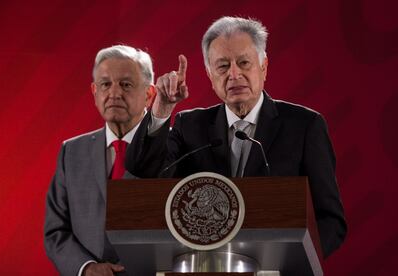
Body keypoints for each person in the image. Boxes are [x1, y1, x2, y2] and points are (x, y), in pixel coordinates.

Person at [126, 16, 347, 258]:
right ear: (210, 76)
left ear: (263, 67)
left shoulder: (305, 126)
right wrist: (161, 110)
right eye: (222, 66)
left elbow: (330, 222)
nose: (234, 74)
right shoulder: (190, 125)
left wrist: (292, 262)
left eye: (244, 63)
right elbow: (143, 169)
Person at [44, 45, 155, 276]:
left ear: (149, 94)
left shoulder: (174, 146)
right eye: (105, 84)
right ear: (94, 92)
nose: (114, 93)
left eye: (125, 84)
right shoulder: (72, 152)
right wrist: (85, 268)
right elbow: (56, 230)